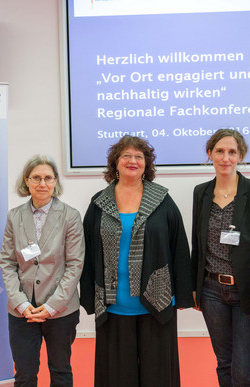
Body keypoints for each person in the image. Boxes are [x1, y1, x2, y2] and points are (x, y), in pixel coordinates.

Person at [80, 135, 193, 387]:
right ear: (115, 163)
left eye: (139, 156)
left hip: (157, 303)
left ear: (146, 164)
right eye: (126, 156)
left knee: (158, 377)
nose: (133, 161)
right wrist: (87, 297)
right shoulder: (99, 201)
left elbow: (179, 248)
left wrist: (184, 294)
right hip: (112, 306)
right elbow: (87, 252)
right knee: (116, 378)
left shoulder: (162, 199)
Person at [191, 129, 250, 386]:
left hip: (247, 291)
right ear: (210, 154)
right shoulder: (201, 192)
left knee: (244, 369)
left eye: (232, 152)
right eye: (220, 151)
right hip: (212, 290)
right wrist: (195, 287)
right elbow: (198, 242)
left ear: (240, 156)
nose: (225, 158)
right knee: (224, 363)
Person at [0, 155, 84, 387]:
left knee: (60, 372)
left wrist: (51, 306)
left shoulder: (70, 216)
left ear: (56, 181)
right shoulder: (14, 216)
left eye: (48, 178)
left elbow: (75, 265)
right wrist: (20, 303)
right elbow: (7, 262)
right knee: (24, 375)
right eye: (36, 178)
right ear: (26, 181)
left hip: (60, 310)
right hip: (22, 311)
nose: (42, 184)